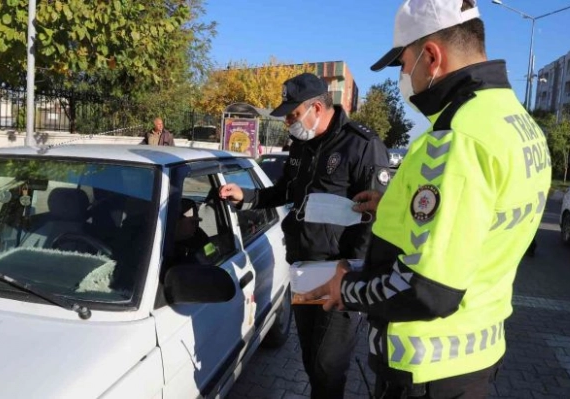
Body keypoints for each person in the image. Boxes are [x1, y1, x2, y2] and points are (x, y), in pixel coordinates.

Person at [301, 1, 552, 398]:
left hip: (428, 367)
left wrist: (347, 289)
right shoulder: (516, 121)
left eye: (403, 63)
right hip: (478, 353)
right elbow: (478, 221)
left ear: (431, 56)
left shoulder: (455, 138)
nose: (404, 76)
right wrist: (393, 207)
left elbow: (426, 288)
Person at [218, 72, 391, 399]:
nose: (288, 122)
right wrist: (247, 196)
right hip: (303, 271)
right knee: (312, 360)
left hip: (339, 273)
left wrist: (351, 270)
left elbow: (373, 219)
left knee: (329, 365)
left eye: (293, 115)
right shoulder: (301, 144)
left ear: (316, 107)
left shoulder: (362, 145)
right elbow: (284, 191)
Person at [173, 198, 216, 265]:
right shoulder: (163, 232)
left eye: (194, 221)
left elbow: (212, 255)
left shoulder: (199, 234)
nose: (192, 224)